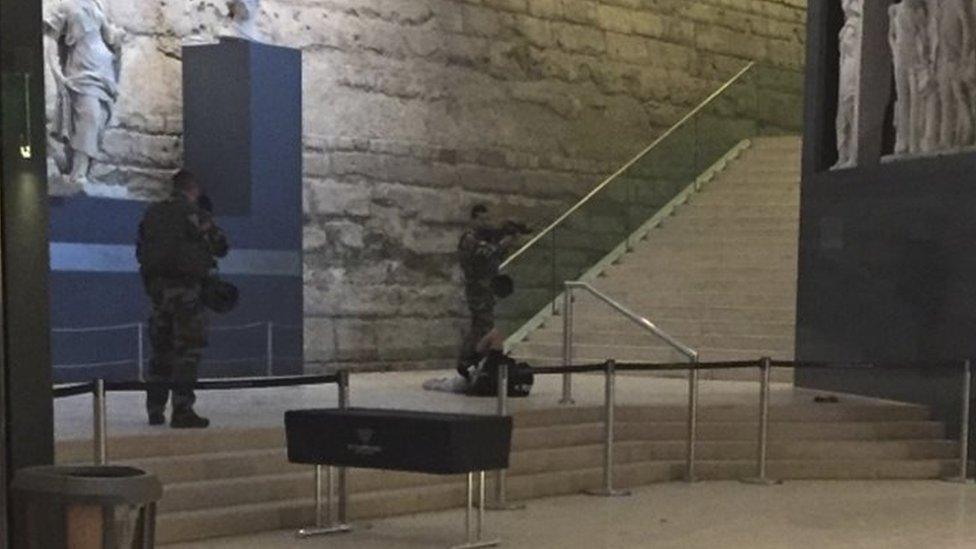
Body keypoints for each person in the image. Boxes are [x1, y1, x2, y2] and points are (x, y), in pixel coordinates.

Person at [136, 170, 229, 428]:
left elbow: (141, 250)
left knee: (160, 351)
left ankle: (155, 409)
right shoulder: (195, 214)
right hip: (187, 293)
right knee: (187, 351)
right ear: (194, 189)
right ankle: (182, 409)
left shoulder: (152, 214)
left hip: (158, 293)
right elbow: (221, 246)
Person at [457, 204, 518, 375]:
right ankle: (469, 361)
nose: (485, 223)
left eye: (487, 219)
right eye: (482, 219)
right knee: (483, 325)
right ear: (473, 219)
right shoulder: (469, 238)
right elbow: (481, 256)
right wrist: (501, 245)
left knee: (482, 326)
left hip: (486, 288)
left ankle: (473, 362)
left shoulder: (483, 237)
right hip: (477, 289)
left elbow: (494, 259)